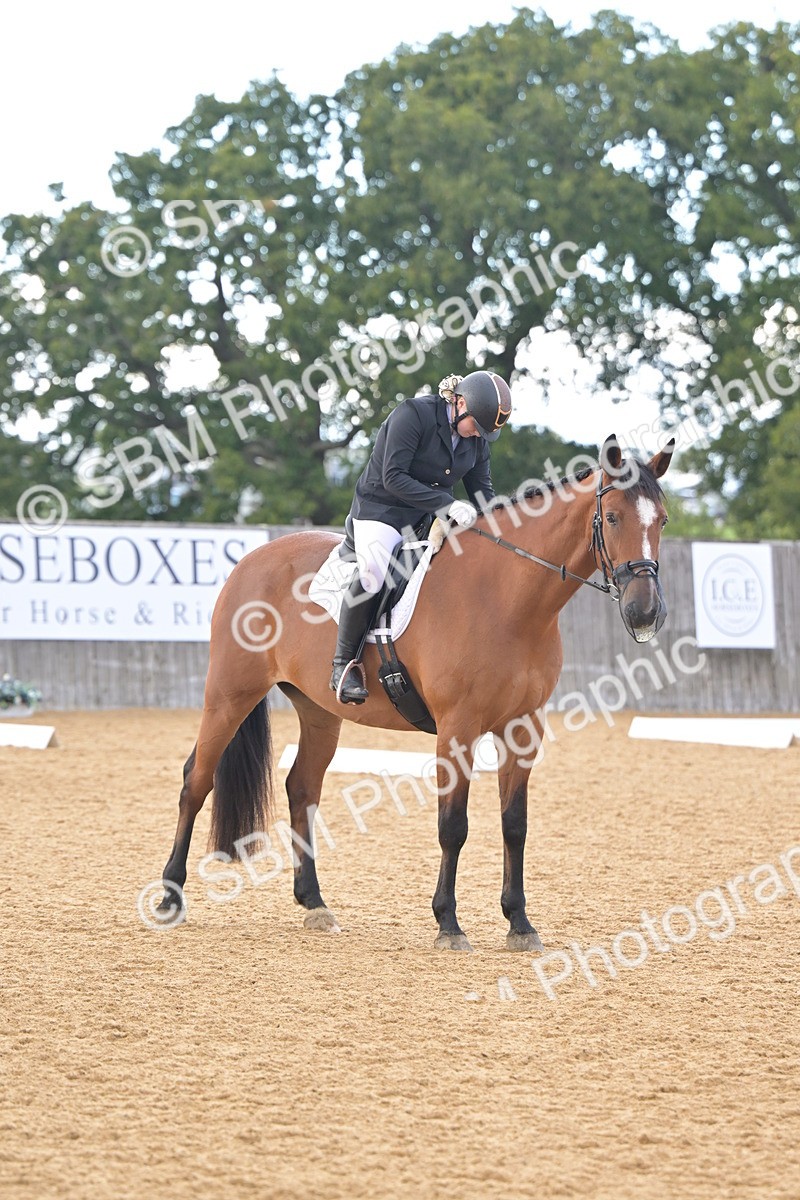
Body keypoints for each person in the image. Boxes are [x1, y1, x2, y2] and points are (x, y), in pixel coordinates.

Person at [330, 369, 513, 704]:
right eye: (476, 426)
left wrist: (505, 525)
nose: (478, 436)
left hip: (424, 518)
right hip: (380, 511)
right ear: (459, 403)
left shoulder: (477, 441)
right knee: (373, 574)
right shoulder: (413, 415)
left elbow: (483, 492)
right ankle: (344, 665)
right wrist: (448, 504)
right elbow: (393, 477)